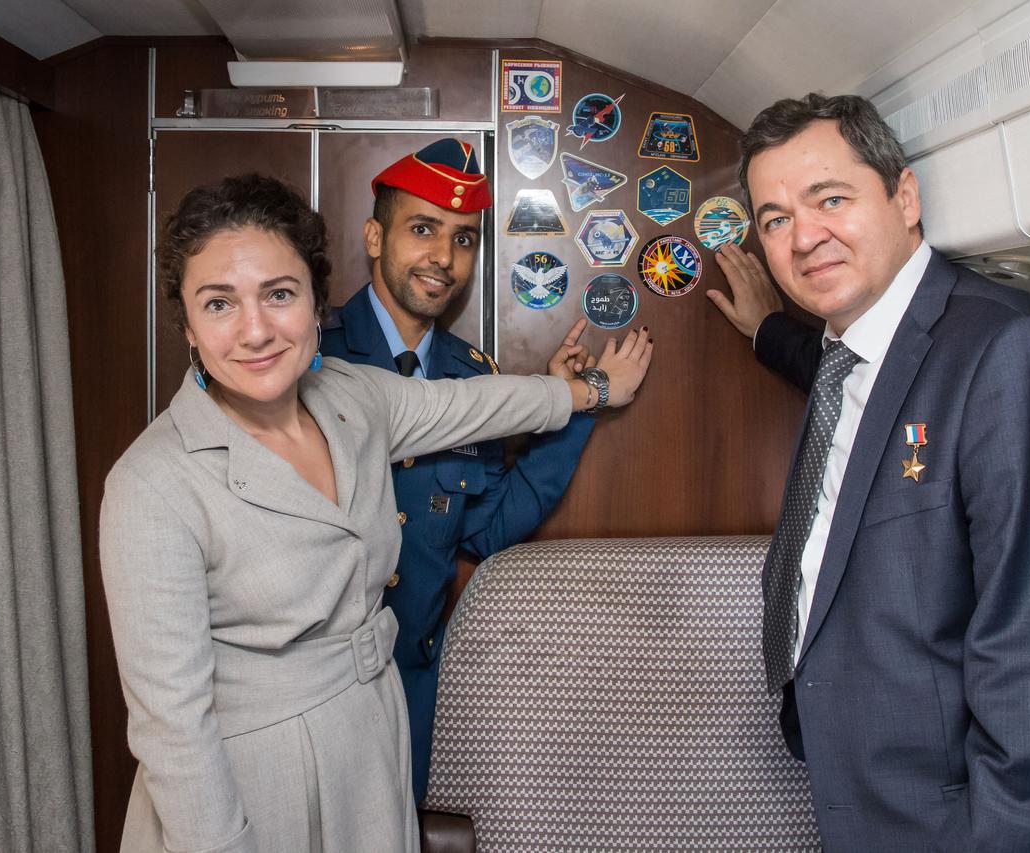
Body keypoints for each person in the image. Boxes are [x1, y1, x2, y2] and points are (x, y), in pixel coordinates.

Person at [99, 173, 652, 853]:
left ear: (313, 300)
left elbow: (482, 404)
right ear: (185, 323)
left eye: (279, 293)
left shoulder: (352, 395)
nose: (256, 330)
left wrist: (590, 389)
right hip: (247, 778)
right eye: (219, 303)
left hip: (371, 738)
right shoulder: (151, 483)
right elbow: (172, 728)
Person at [707, 93, 1030, 851]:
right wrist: (768, 330)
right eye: (776, 219)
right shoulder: (848, 354)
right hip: (879, 800)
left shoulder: (1017, 357)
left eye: (831, 198)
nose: (804, 237)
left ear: (905, 196)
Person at [319, 139, 598, 803]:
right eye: (423, 230)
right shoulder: (314, 355)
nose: (444, 259)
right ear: (374, 236)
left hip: (413, 687)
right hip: (316, 688)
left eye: (464, 239)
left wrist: (573, 412)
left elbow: (487, 530)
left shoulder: (475, 378)